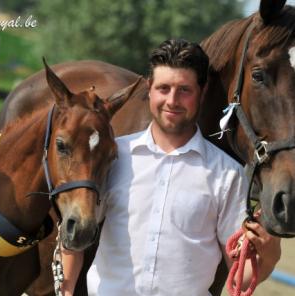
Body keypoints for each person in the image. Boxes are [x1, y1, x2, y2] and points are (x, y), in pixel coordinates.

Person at [60, 39, 281, 295]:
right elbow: (72, 240)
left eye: (184, 90)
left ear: (202, 91)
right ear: (149, 89)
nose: (172, 101)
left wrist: (271, 251)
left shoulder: (228, 175)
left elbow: (238, 278)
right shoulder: (114, 157)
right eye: (163, 88)